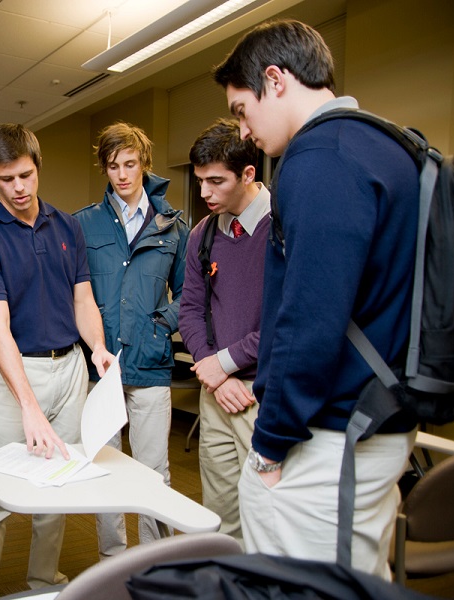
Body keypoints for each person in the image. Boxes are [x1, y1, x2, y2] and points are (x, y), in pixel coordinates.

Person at [213, 19, 419, 578]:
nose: (245, 130)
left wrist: (271, 443)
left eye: (240, 109)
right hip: (379, 417)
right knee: (355, 576)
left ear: (275, 81)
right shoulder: (388, 145)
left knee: (294, 585)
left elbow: (309, 318)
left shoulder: (318, 159)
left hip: (326, 435)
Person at [0, 123, 115, 599]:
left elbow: (83, 301)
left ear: (37, 166)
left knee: (58, 483)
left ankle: (45, 581)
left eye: (26, 175)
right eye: (7, 179)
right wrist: (26, 404)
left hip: (69, 369)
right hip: (13, 375)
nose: (20, 188)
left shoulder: (67, 225)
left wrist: (98, 349)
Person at [73, 122, 188, 558]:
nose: (121, 174)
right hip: (100, 368)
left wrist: (161, 324)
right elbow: (75, 294)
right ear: (104, 168)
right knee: (105, 470)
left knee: (153, 471)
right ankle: (113, 562)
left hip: (151, 365)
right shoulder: (83, 224)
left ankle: (156, 564)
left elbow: (191, 296)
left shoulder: (173, 227)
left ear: (144, 164)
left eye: (130, 164)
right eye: (112, 166)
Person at [177, 118, 269, 548]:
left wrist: (223, 366)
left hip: (263, 398)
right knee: (221, 517)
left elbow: (285, 324)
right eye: (199, 181)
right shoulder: (203, 235)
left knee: (269, 519)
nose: (204, 194)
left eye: (216, 181)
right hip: (216, 395)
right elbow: (191, 310)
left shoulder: (285, 229)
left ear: (248, 173)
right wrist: (213, 373)